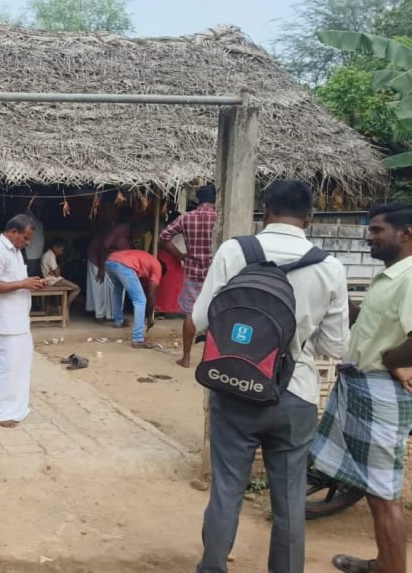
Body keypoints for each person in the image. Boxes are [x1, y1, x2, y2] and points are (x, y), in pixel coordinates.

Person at [191, 180, 349, 573]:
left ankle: (213, 566)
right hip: (297, 394)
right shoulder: (329, 266)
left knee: (227, 488)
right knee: (290, 500)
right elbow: (335, 346)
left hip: (236, 386)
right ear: (310, 218)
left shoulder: (235, 251)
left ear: (265, 212)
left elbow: (200, 319)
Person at [313, 202, 412, 573]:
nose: (368, 237)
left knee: (385, 495)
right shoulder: (390, 277)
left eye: (376, 230)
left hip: (378, 389)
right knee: (375, 488)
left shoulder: (409, 278)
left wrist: (390, 359)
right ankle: (385, 564)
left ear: (406, 234)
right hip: (365, 386)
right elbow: (371, 325)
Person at [0, 214, 48, 428]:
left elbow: (17, 282)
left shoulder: (17, 252)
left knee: (20, 367)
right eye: (25, 238)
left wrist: (33, 284)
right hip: (6, 321)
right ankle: (0, 412)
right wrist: (23, 284)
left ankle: (16, 408)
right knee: (6, 369)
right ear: (13, 232)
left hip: (20, 320)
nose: (27, 243)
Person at [159, 185, 218, 368]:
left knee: (191, 313)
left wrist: (179, 255)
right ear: (215, 199)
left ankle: (186, 358)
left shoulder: (186, 218)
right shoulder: (219, 218)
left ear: (197, 200)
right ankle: (211, 359)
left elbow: (164, 236)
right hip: (216, 272)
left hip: (193, 272)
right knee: (217, 313)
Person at [104, 248, 164, 349]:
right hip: (124, 265)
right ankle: (138, 339)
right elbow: (151, 295)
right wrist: (150, 317)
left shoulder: (148, 260)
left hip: (109, 261)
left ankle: (118, 321)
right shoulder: (158, 267)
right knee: (140, 300)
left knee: (118, 290)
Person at [40, 237, 81, 306]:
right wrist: (58, 264)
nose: (62, 253)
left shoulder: (47, 254)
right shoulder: (51, 256)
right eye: (61, 250)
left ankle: (62, 306)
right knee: (77, 288)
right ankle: (64, 307)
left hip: (49, 280)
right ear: (55, 247)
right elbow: (57, 273)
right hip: (54, 281)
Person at [22, 204, 45, 277]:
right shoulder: (29, 218)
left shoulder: (36, 220)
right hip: (31, 256)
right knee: (32, 277)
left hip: (36, 255)